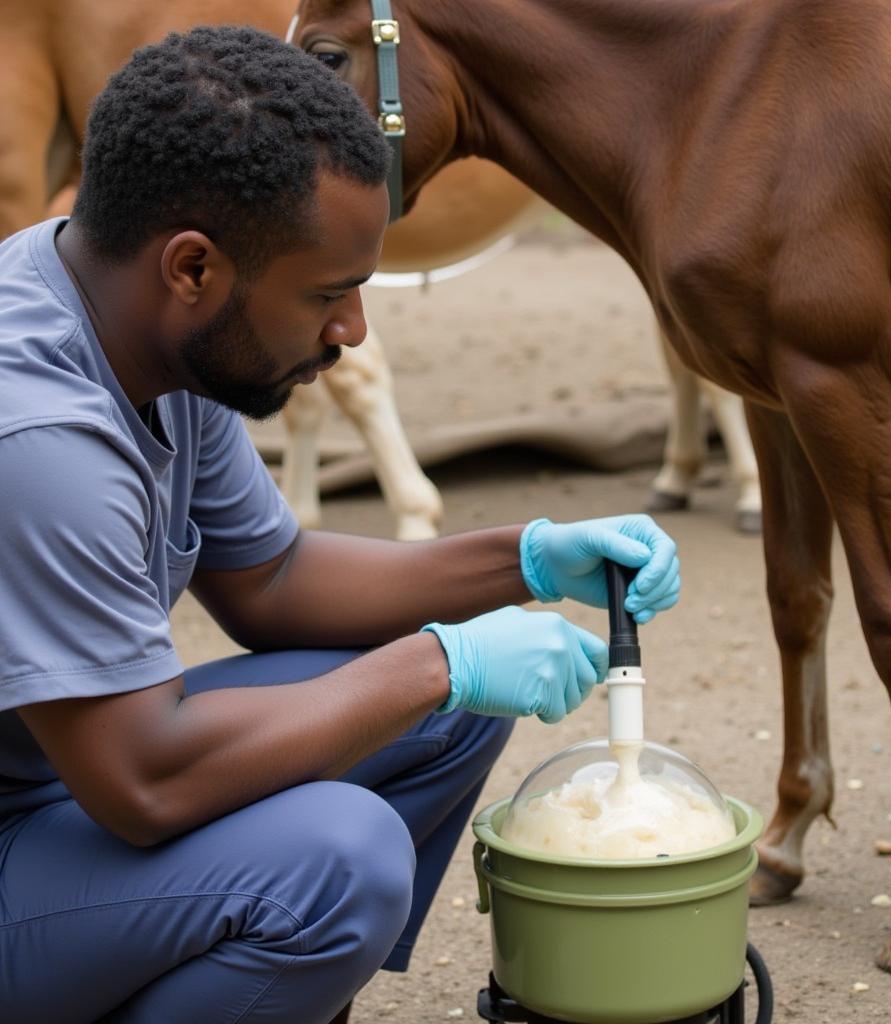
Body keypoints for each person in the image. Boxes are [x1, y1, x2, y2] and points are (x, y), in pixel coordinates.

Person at [0, 26, 680, 1024]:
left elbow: (269, 580)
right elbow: (143, 778)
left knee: (437, 708)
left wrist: (528, 557)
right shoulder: (39, 436)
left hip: (53, 784)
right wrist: (438, 661)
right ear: (192, 268)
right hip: (43, 818)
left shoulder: (133, 314)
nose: (353, 330)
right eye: (328, 292)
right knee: (342, 859)